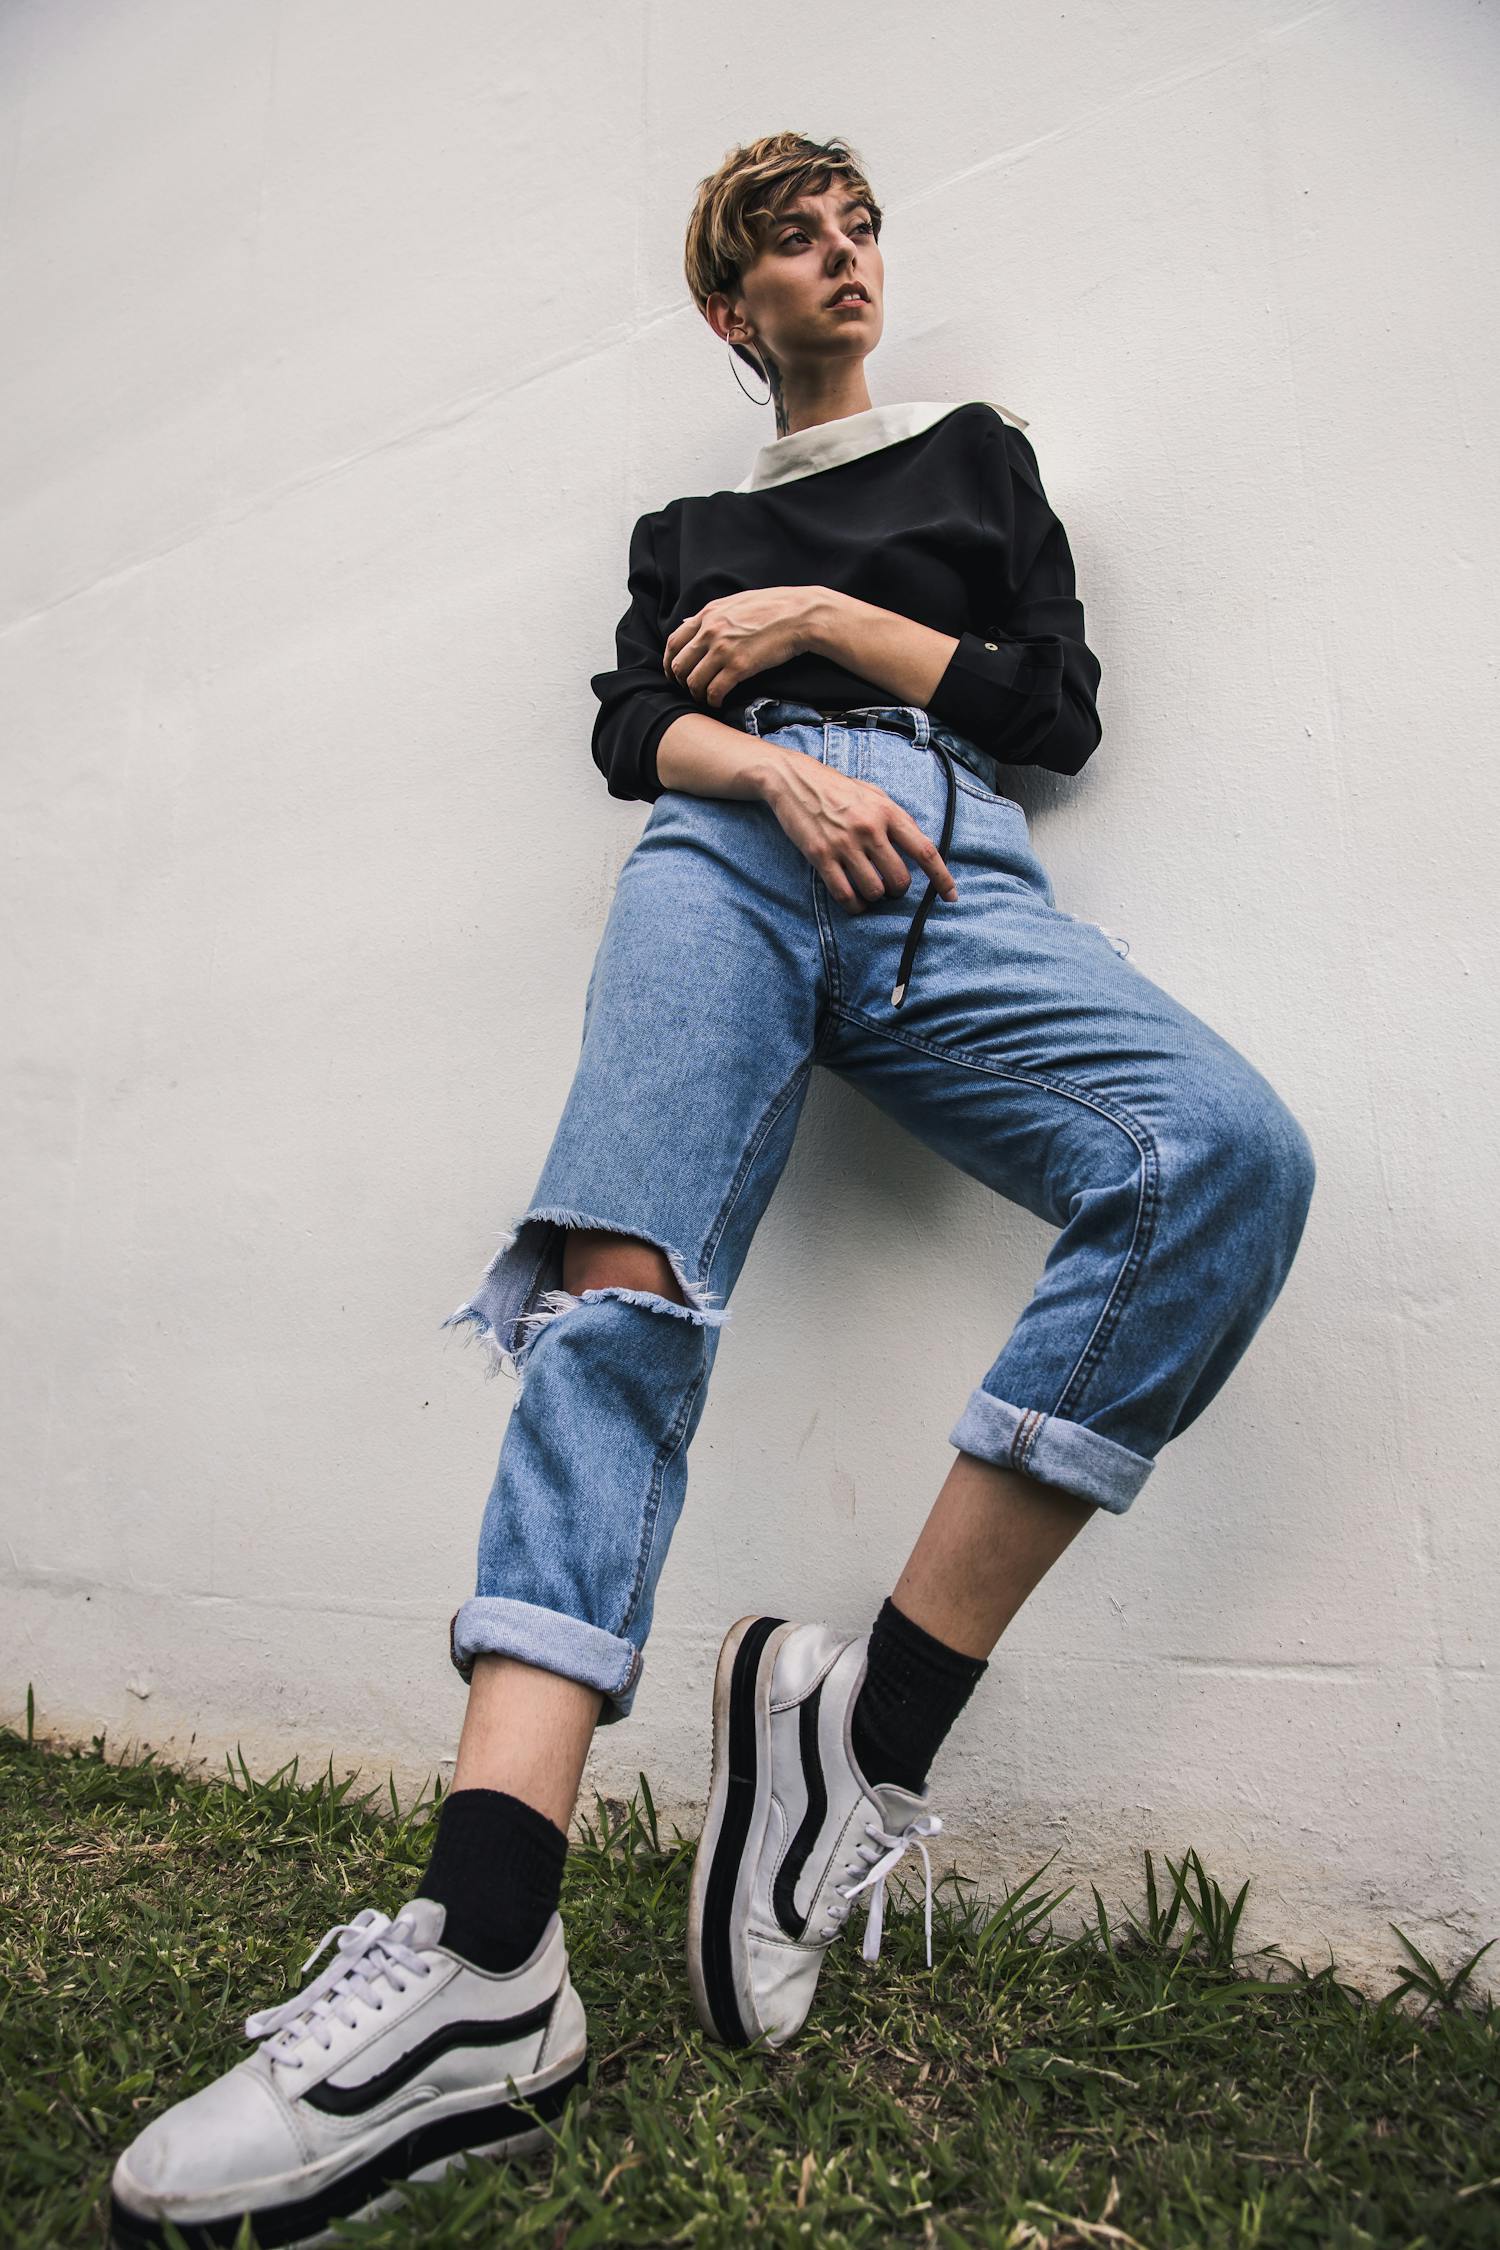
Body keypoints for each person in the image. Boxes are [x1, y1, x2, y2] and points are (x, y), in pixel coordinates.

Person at [107, 130, 1317, 2247]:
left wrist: (829, 624)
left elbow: (1052, 708)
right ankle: (489, 1954)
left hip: (949, 875)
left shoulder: (977, 459)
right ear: (726, 304)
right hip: (730, 862)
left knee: (1220, 1157)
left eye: (860, 229)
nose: (842, 259)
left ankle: (862, 1727)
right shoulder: (687, 533)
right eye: (793, 241)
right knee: (617, 1299)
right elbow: (626, 729)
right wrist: (758, 761)